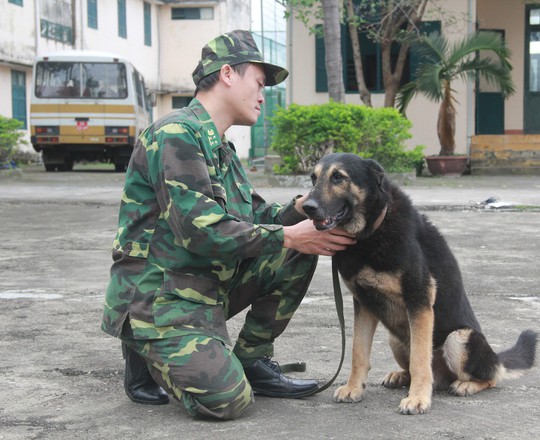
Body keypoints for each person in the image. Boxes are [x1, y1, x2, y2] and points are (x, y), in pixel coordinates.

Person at [102, 30, 356, 420]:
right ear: (226, 74)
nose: (262, 94)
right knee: (227, 402)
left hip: (204, 287)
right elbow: (201, 232)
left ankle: (252, 360)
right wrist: (289, 235)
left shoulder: (220, 147)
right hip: (160, 297)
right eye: (258, 82)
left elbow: (254, 218)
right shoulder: (175, 135)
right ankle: (145, 344)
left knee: (299, 250)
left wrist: (306, 209)